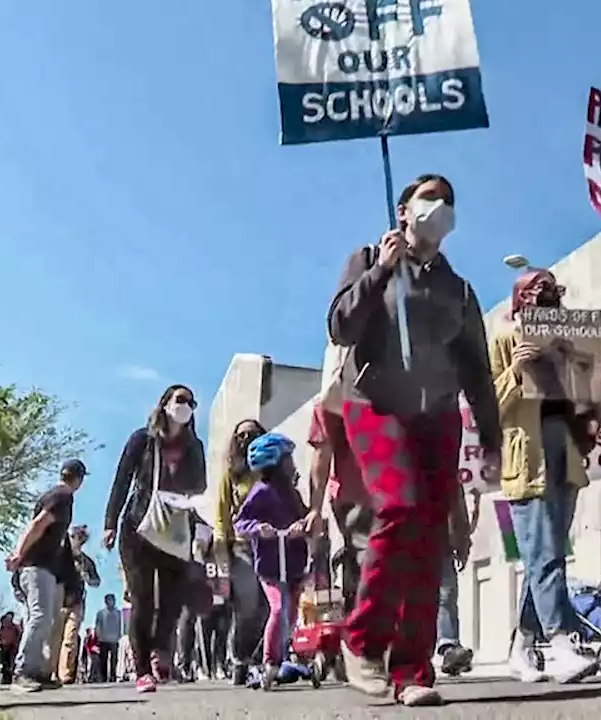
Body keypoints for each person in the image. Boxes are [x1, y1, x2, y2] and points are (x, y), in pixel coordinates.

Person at [327, 173, 501, 706]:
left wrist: (490, 438)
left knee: (430, 540)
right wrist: (382, 269)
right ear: (404, 209)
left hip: (437, 416)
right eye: (429, 198)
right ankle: (362, 641)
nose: (439, 208)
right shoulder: (367, 259)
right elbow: (341, 326)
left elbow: (477, 369)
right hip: (376, 405)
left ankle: (413, 669)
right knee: (400, 507)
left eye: (448, 201)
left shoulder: (458, 288)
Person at [490, 267, 601, 684]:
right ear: (521, 298)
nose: (548, 297)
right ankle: (560, 640)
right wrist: (516, 370)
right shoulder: (506, 339)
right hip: (528, 458)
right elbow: (488, 406)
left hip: (567, 456)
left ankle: (522, 644)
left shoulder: (574, 342)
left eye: (553, 290)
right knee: (544, 556)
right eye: (538, 291)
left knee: (549, 553)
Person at [103, 384, 207, 693]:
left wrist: (202, 526)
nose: (185, 405)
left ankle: (161, 652)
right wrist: (110, 522)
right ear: (164, 405)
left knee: (174, 600)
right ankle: (142, 670)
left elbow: (200, 489)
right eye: (179, 400)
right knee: (143, 599)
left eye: (191, 402)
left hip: (175, 530)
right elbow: (122, 479)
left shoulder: (194, 447)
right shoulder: (142, 440)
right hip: (139, 527)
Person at [231, 434, 309, 690]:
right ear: (275, 463)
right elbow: (240, 522)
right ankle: (269, 661)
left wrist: (303, 525)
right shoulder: (261, 492)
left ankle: (290, 653)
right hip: (271, 564)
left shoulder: (292, 493)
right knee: (277, 608)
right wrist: (257, 528)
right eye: (288, 459)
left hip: (294, 559)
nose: (292, 464)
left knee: (293, 611)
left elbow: (305, 516)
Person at [6, 459, 85, 692]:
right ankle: (22, 672)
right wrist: (18, 554)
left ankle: (38, 670)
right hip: (35, 566)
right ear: (79, 479)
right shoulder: (62, 496)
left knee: (48, 620)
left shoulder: (58, 496)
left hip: (47, 569)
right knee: (40, 617)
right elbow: (38, 525)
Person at [213, 419, 269, 687]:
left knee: (269, 608)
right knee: (247, 607)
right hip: (241, 548)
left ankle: (258, 660)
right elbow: (222, 515)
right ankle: (238, 659)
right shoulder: (231, 474)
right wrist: (221, 549)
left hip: (270, 546)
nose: (247, 438)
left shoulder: (271, 470)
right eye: (242, 435)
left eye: (253, 434)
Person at [304, 394, 369, 616]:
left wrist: (316, 508)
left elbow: (322, 456)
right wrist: (315, 509)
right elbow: (322, 456)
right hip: (361, 496)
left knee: (367, 564)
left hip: (357, 496)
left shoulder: (332, 398)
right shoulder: (332, 401)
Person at [435, 486, 481, 676]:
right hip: (404, 538)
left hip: (440, 541)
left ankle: (449, 646)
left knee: (446, 595)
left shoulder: (443, 464)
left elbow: (455, 501)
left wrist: (462, 540)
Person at [55, 522, 101, 684]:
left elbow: (96, 581)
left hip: (77, 602)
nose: (79, 541)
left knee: (70, 637)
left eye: (82, 538)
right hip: (59, 601)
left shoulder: (86, 561)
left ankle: (65, 674)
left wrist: (88, 577)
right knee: (55, 638)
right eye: (76, 537)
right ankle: (51, 672)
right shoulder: (60, 557)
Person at [176, 520, 217, 683]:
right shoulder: (194, 516)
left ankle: (192, 666)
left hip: (199, 569)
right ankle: (186, 665)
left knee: (198, 618)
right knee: (189, 617)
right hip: (190, 569)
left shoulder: (201, 517)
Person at [93, 594, 122, 683]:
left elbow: (120, 625)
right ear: (105, 602)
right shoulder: (101, 613)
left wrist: (119, 635)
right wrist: (98, 637)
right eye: (109, 600)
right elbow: (97, 626)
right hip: (103, 640)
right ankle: (103, 678)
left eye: (112, 600)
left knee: (114, 660)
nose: (111, 602)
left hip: (114, 640)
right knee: (103, 660)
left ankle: (113, 676)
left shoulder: (118, 613)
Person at [0, 612, 22, 685]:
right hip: (4, 649)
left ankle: (13, 678)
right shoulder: (1, 629)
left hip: (12, 648)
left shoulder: (15, 627)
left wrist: (16, 643)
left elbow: (19, 636)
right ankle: (5, 679)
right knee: (4, 665)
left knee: (12, 664)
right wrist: (1, 642)